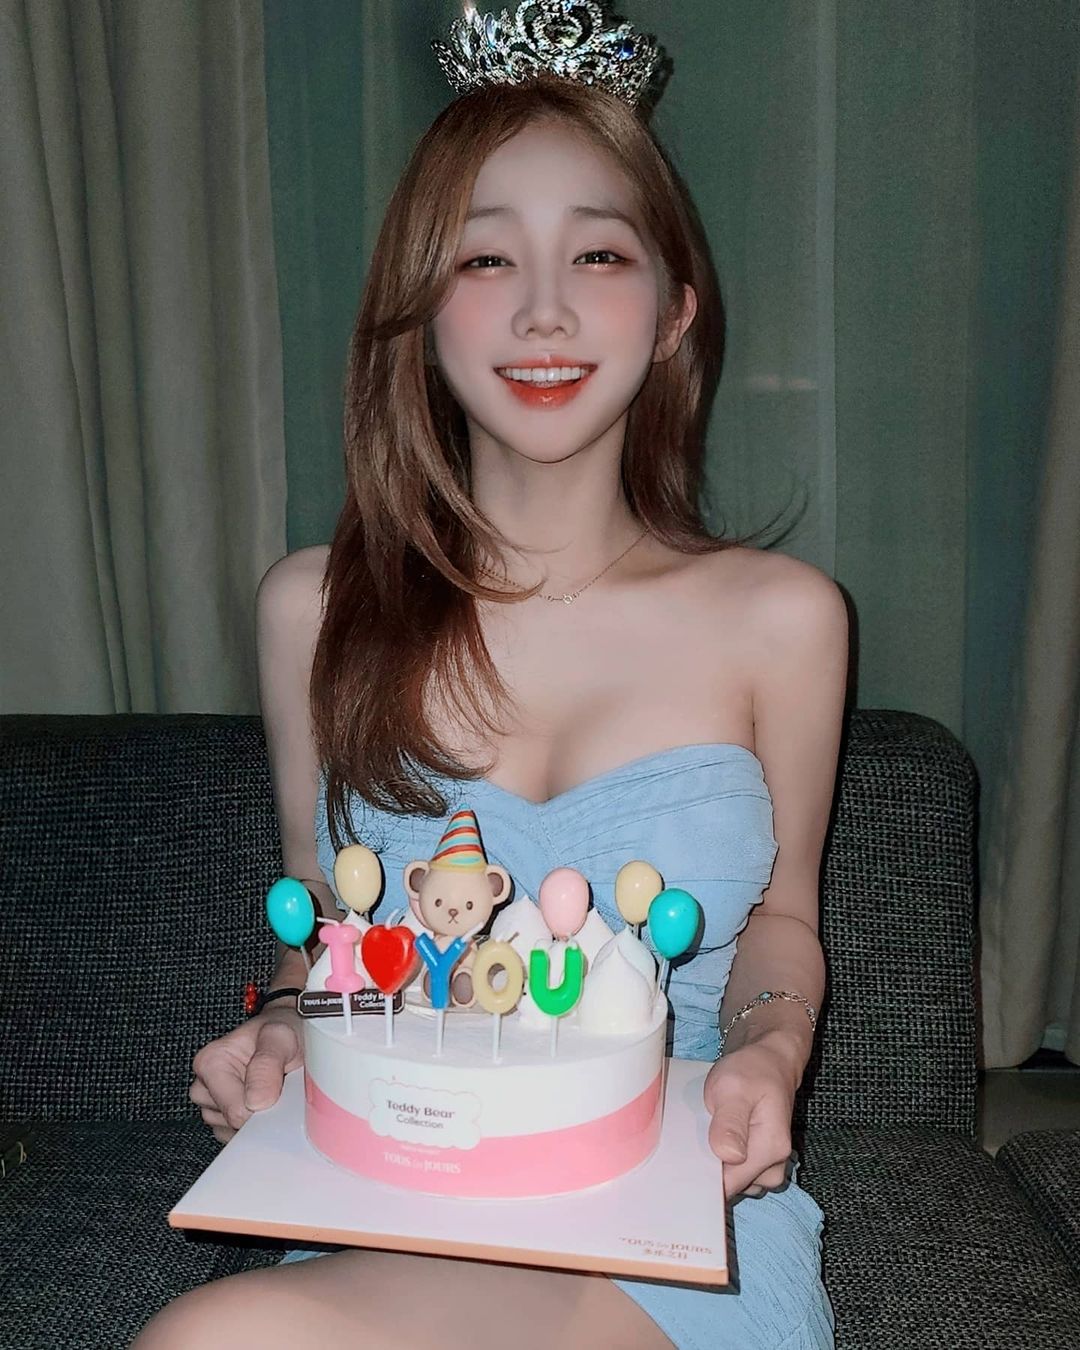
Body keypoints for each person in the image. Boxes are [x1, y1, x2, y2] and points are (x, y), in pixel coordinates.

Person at [135, 18, 845, 1349]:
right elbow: (320, 923)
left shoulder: (784, 620)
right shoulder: (315, 610)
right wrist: (280, 1025)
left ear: (676, 308)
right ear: (419, 308)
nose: (544, 310)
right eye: (484, 257)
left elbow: (783, 919)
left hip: (674, 1205)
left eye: (599, 254)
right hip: (399, 1189)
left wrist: (770, 1053)